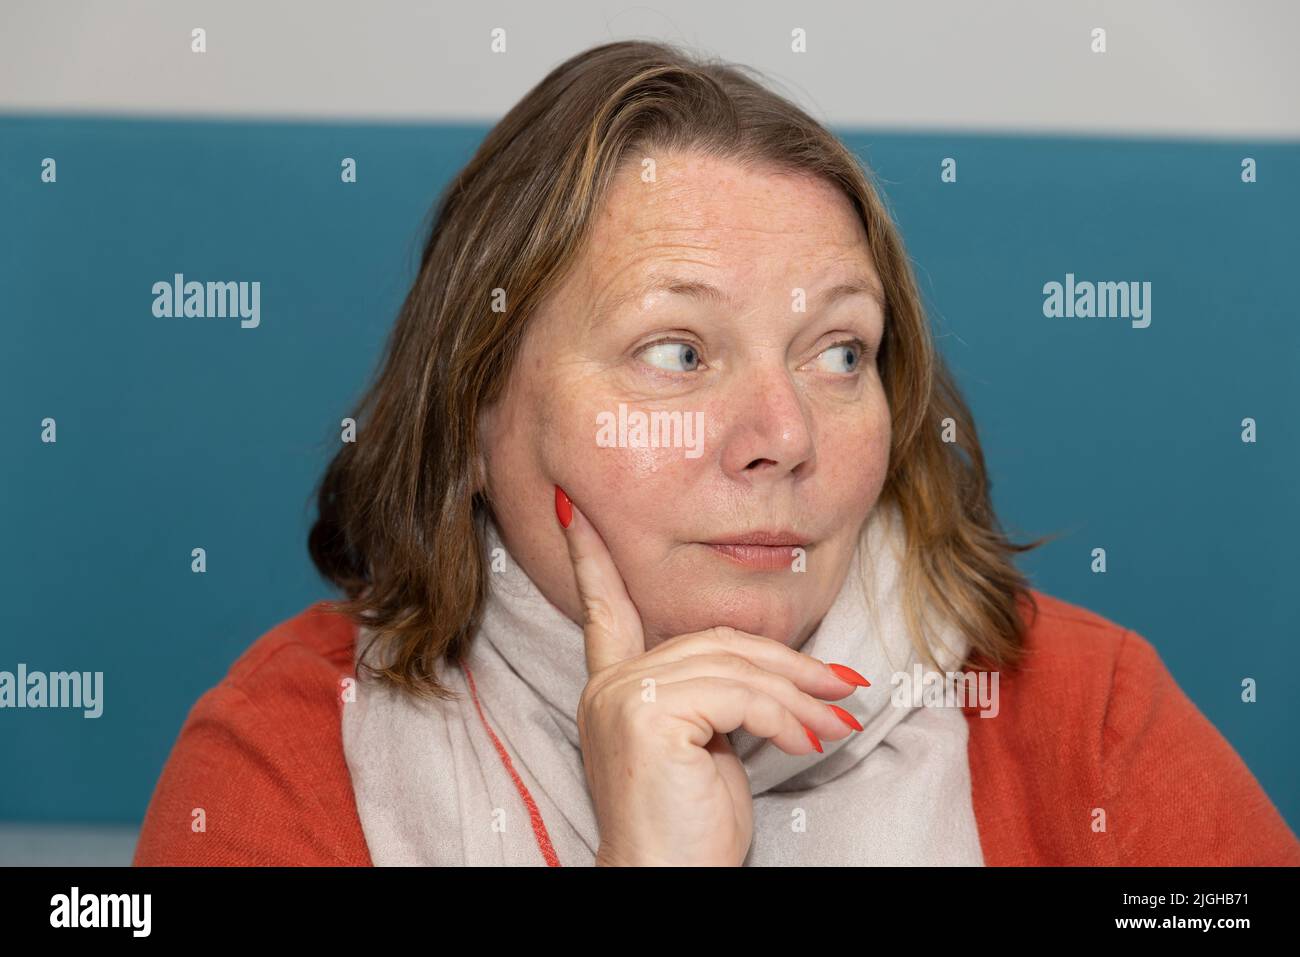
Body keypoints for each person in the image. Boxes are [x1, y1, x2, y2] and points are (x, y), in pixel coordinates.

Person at [134, 39, 1300, 867]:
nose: (783, 437)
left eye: (839, 354)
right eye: (677, 353)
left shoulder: (1081, 718)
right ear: (477, 413)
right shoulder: (294, 753)